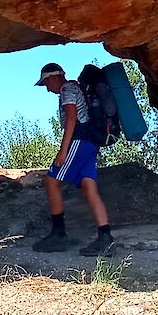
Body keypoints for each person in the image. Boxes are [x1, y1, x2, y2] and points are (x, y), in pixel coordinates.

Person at [32, 62, 115, 256]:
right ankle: (106, 239)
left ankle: (58, 234)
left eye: (46, 84)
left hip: (79, 140)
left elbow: (71, 119)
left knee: (51, 180)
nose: (47, 89)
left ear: (53, 77)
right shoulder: (76, 88)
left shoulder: (67, 89)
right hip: (91, 142)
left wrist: (63, 151)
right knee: (89, 188)